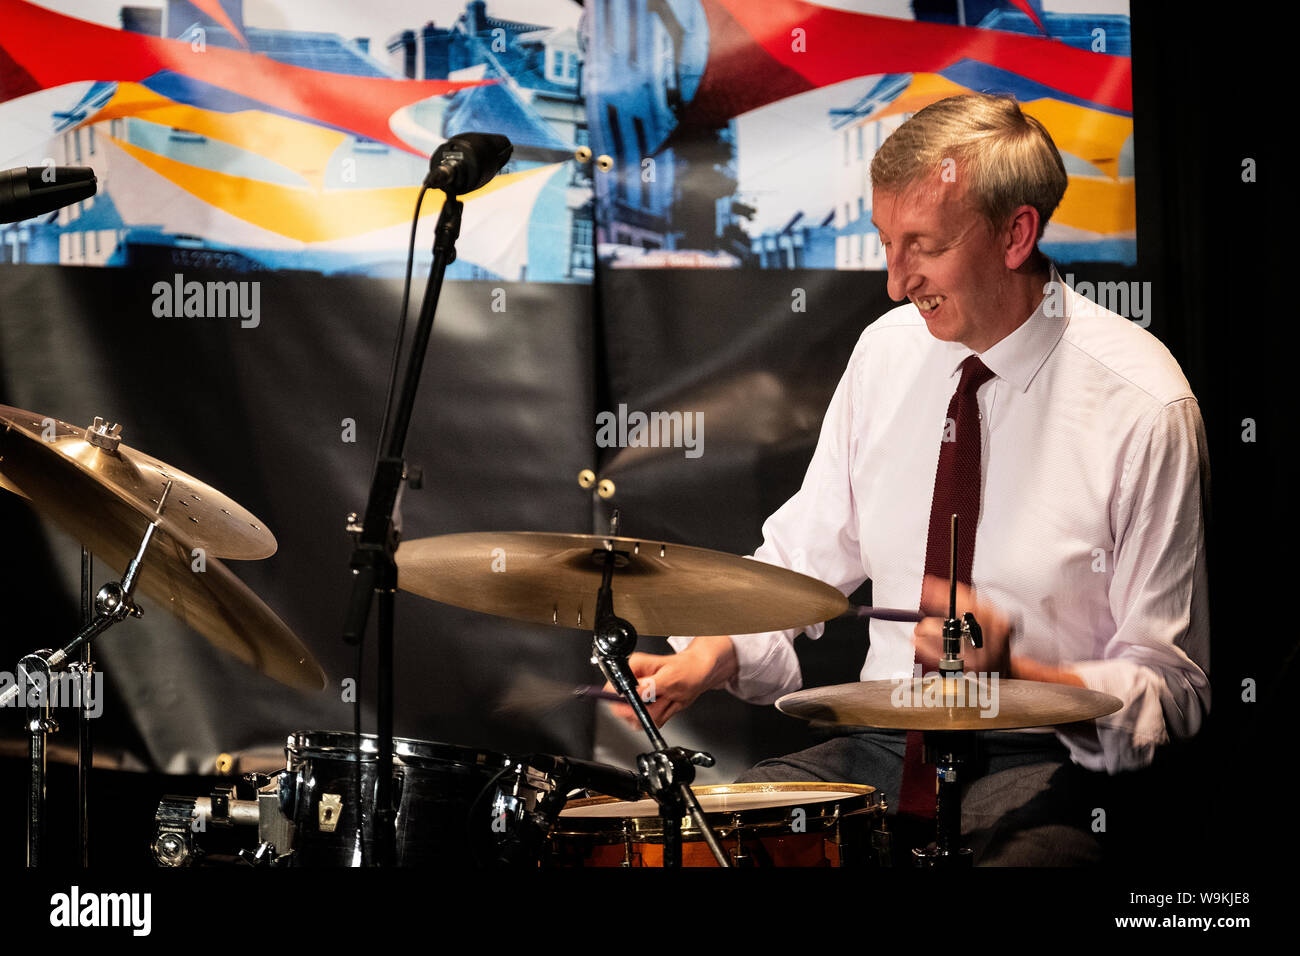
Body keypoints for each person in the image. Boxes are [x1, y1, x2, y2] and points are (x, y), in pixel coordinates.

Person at [606, 93, 1211, 865]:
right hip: (881, 745)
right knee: (712, 847)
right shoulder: (888, 351)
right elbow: (808, 551)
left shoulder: (1144, 404)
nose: (896, 282)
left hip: (1042, 756)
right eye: (888, 242)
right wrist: (713, 651)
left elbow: (1173, 688)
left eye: (921, 246)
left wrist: (1017, 672)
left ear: (1016, 233)